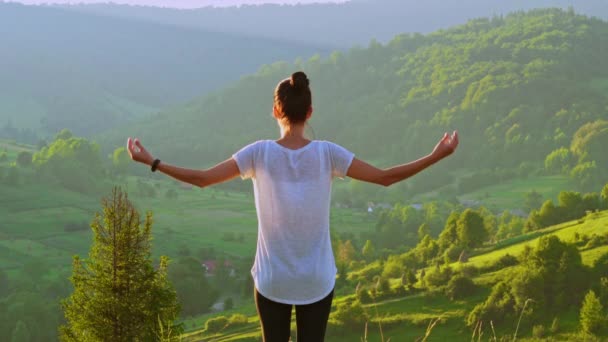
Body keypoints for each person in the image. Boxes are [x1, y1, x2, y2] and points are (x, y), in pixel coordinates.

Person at [127, 71, 458, 342]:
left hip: (273, 281)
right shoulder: (329, 153)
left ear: (275, 111)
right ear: (310, 113)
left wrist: (152, 161)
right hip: (316, 280)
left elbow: (201, 179)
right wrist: (436, 155)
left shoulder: (258, 153)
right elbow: (386, 178)